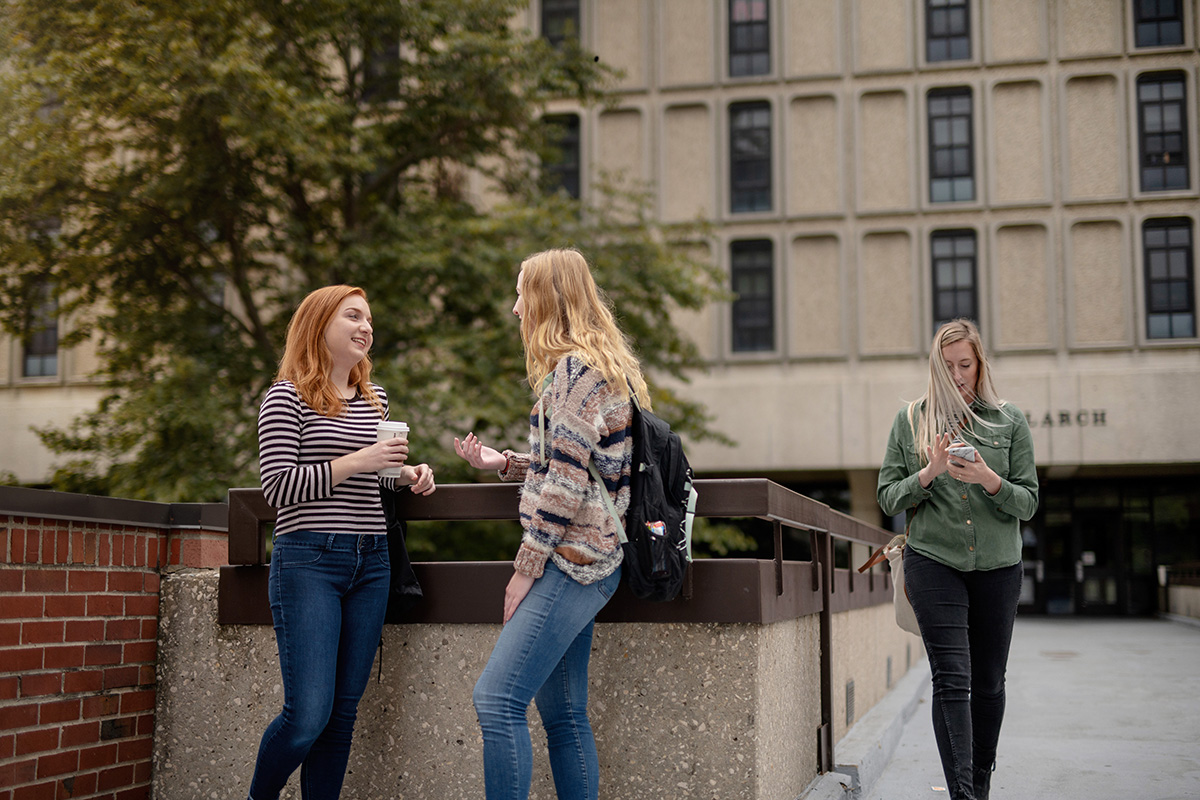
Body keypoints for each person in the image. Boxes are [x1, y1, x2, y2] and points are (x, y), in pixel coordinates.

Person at [453, 248, 649, 800]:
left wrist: (525, 568)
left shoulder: (572, 372)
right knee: (563, 716)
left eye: (521, 294)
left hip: (570, 562)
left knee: (496, 700)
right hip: (593, 559)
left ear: (547, 299)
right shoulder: (598, 366)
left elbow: (566, 483)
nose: (516, 308)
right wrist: (507, 463)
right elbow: (581, 464)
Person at [249, 285, 436, 800]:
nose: (366, 327)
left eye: (369, 319)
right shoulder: (285, 397)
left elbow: (378, 477)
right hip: (308, 559)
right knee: (307, 714)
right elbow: (279, 486)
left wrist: (408, 473)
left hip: (371, 561)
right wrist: (360, 461)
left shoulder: (377, 400)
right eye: (353, 316)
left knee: (341, 717)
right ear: (319, 325)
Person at [877, 318, 1038, 800]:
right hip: (934, 562)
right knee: (952, 677)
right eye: (947, 367)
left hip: (998, 567)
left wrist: (990, 478)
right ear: (935, 368)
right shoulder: (910, 420)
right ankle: (962, 795)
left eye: (965, 364)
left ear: (979, 363)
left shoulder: (1009, 421)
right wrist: (928, 472)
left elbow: (1028, 502)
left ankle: (980, 784)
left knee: (989, 682)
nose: (957, 374)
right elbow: (887, 497)